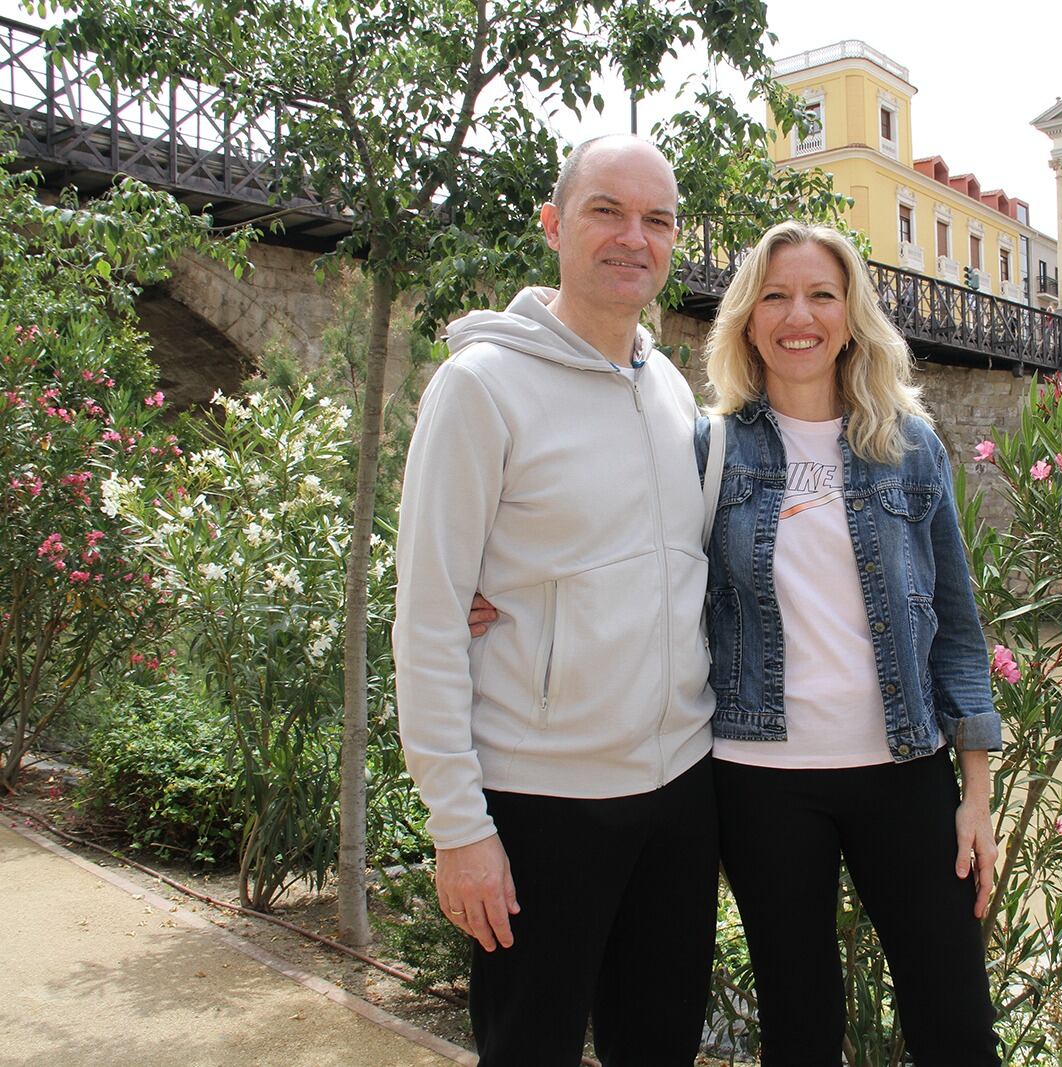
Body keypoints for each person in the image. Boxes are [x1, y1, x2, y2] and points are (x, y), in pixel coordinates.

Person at [392, 134, 719, 1066]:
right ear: (553, 226)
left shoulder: (666, 387)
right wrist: (460, 828)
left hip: (679, 792)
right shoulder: (479, 387)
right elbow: (426, 617)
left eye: (656, 219)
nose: (633, 237)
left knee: (659, 1047)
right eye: (606, 211)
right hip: (542, 799)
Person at [696, 221, 1002, 1064]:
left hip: (904, 770)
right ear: (748, 319)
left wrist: (974, 796)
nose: (800, 315)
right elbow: (633, 566)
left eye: (821, 294)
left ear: (852, 314)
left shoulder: (910, 447)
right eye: (777, 295)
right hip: (760, 782)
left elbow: (958, 629)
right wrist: (505, 588)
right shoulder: (709, 447)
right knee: (800, 1026)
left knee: (956, 1020)